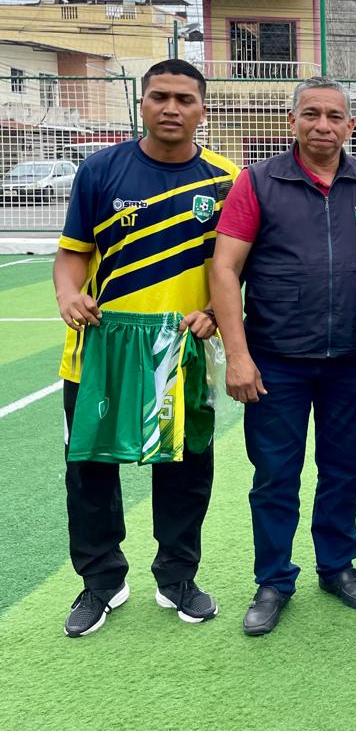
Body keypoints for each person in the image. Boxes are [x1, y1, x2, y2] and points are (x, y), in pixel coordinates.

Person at [209, 76, 356, 636]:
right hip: (276, 360)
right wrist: (238, 356)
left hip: (352, 356)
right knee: (275, 474)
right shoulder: (257, 182)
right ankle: (273, 580)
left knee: (344, 469)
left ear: (351, 126)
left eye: (334, 116)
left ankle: (337, 566)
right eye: (311, 114)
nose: (323, 125)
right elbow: (224, 269)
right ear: (292, 120)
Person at [53, 59, 238, 636]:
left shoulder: (226, 180)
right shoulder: (100, 169)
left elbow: (235, 268)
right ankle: (101, 582)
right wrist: (68, 294)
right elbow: (72, 254)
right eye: (160, 97)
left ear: (203, 109)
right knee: (90, 470)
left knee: (186, 469)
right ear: (143, 103)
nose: (171, 108)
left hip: (181, 350)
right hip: (99, 350)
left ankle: (177, 578)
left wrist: (214, 315)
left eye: (184, 99)